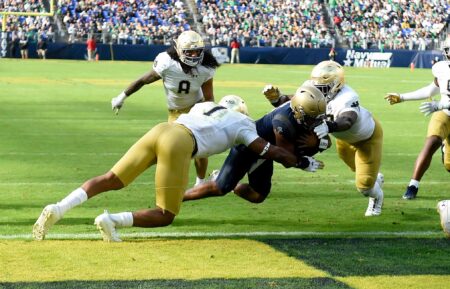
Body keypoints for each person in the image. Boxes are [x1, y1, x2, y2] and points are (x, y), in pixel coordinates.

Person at [32, 95, 309, 242]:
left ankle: (59, 207)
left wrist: (201, 177)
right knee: (166, 214)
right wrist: (299, 160)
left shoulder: (206, 107)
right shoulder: (243, 124)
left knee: (111, 178)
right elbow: (266, 150)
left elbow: (203, 145)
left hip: (164, 129)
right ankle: (111, 220)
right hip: (180, 142)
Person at [265, 61, 384, 217]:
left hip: (368, 139)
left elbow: (347, 120)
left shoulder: (348, 96)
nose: (316, 89)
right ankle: (376, 176)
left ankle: (377, 197)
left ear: (336, 84)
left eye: (322, 87)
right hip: (344, 140)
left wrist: (329, 126)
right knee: (358, 170)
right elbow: (297, 102)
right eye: (315, 85)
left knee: (364, 186)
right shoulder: (312, 86)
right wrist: (277, 99)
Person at [183, 84, 328, 203]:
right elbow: (285, 158)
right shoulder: (283, 122)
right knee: (220, 187)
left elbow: (326, 142)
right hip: (250, 146)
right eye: (312, 117)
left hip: (269, 151)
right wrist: (303, 161)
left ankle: (225, 180)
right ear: (299, 111)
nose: (316, 121)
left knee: (257, 195)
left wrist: (319, 142)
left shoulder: (304, 110)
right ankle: (176, 198)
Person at [111, 30, 219, 186]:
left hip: (196, 109)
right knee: (173, 148)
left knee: (200, 149)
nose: (194, 55)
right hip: (175, 113)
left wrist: (208, 115)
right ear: (179, 50)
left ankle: (200, 182)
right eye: (190, 52)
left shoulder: (206, 67)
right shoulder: (167, 62)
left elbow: (209, 97)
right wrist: (121, 97)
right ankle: (173, 180)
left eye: (197, 51)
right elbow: (143, 80)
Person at [384, 39, 450, 200]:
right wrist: (402, 97)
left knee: (449, 165)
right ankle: (413, 185)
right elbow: (431, 89)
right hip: (445, 115)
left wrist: (440, 104)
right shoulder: (441, 68)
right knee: (431, 143)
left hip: (442, 107)